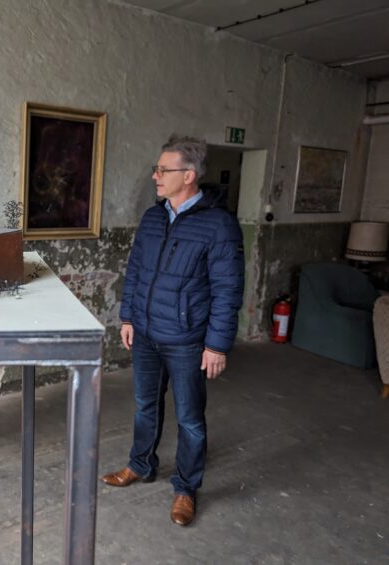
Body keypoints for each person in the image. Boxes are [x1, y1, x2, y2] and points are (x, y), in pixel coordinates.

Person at [102, 135, 244, 526]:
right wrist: (128, 317)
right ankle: (140, 464)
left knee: (190, 418)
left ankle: (185, 488)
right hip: (146, 332)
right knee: (146, 406)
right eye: (157, 169)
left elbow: (228, 289)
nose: (155, 176)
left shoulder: (219, 225)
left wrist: (216, 345)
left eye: (164, 170)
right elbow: (135, 272)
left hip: (186, 340)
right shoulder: (153, 217)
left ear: (190, 175)